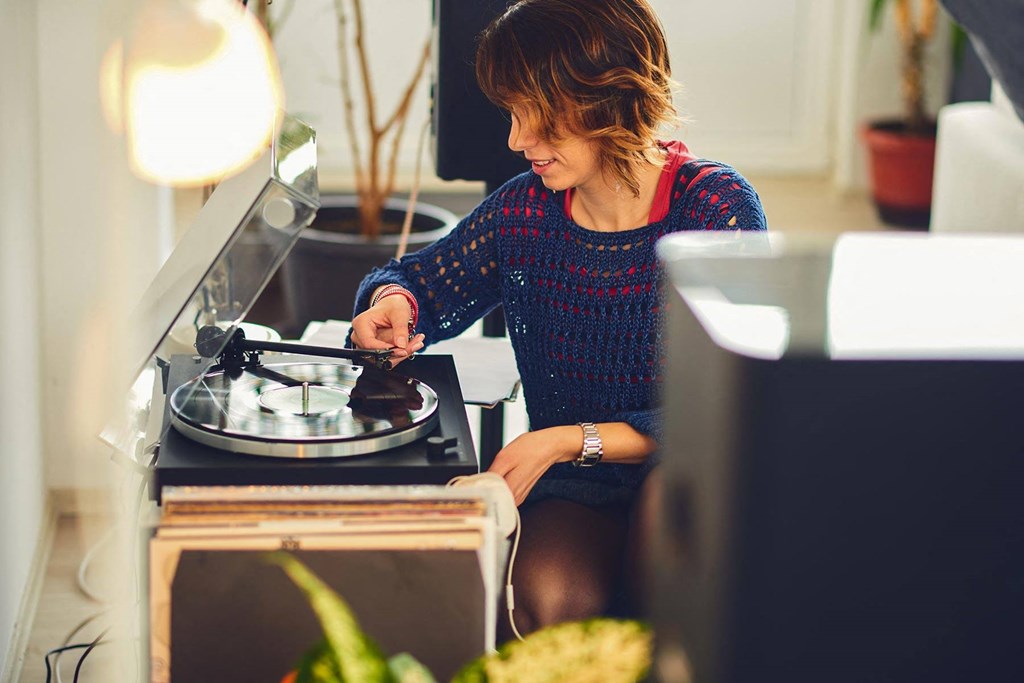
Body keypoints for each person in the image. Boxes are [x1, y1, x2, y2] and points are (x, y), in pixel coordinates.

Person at [349, 0, 767, 639]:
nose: (516, 140)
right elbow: (419, 280)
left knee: (671, 562)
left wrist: (564, 439)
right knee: (547, 608)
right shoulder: (524, 214)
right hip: (576, 485)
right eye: (513, 115)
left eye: (536, 117)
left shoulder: (714, 209)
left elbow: (734, 404)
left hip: (685, 471)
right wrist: (393, 305)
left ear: (606, 102)